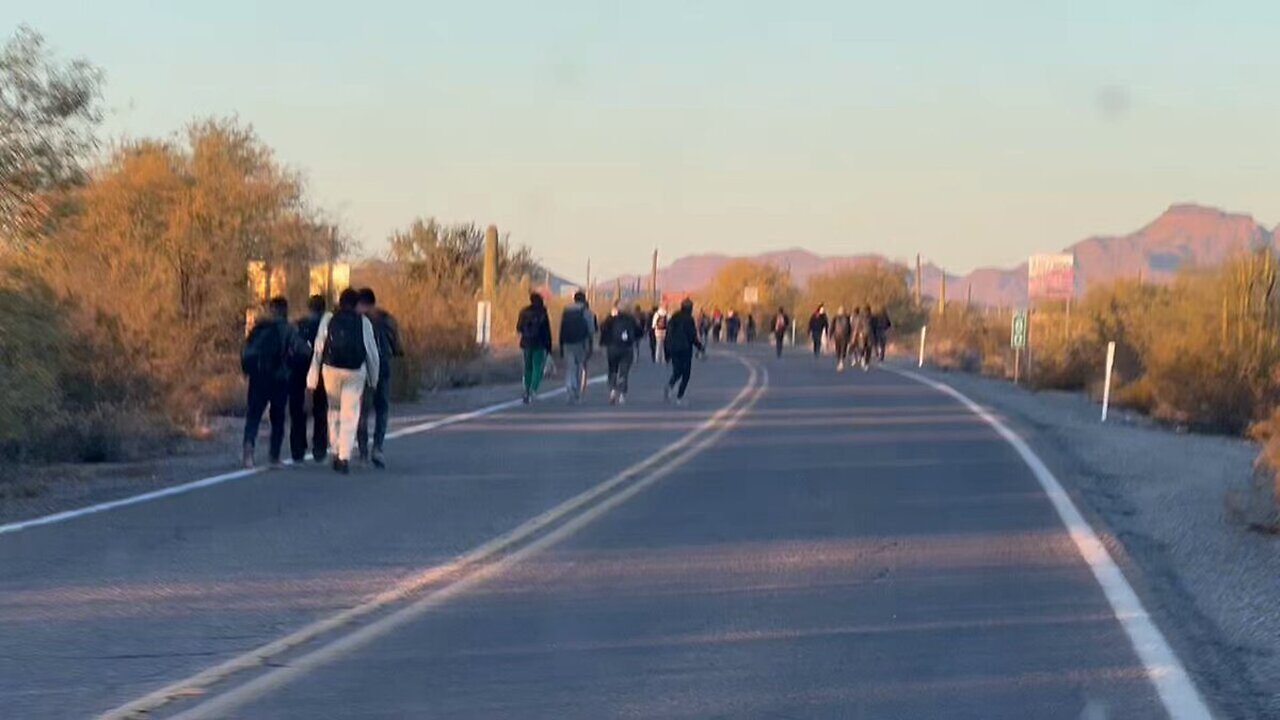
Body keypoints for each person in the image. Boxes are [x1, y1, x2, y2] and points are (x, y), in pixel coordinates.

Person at [307, 288, 380, 474]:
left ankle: (335, 448)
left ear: (340, 302)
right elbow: (372, 353)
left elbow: (318, 347)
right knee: (350, 414)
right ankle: (344, 456)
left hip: (330, 369)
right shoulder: (363, 322)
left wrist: (312, 378)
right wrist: (373, 378)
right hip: (355, 372)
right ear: (356, 304)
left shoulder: (329, 319)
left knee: (334, 411)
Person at [242, 296, 309, 469]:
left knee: (253, 416)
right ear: (285, 310)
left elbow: (246, 351)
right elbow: (303, 351)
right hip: (279, 378)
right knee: (277, 418)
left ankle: (248, 453)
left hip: (257, 378)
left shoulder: (258, 328)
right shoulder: (289, 329)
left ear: (271, 310)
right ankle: (274, 457)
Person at [355, 288, 403, 468]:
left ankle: (363, 453)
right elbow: (398, 347)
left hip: (364, 369)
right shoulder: (387, 319)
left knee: (362, 412)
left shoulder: (358, 320)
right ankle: (378, 448)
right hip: (383, 367)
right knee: (382, 409)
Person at [289, 294, 329, 463]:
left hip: (298, 372)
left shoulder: (298, 325)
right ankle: (319, 448)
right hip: (321, 373)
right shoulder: (328, 326)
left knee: (298, 412)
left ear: (309, 307)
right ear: (323, 308)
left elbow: (289, 348)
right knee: (320, 412)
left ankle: (297, 449)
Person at [663, 298, 704, 406]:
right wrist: (700, 347)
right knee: (686, 374)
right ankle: (679, 397)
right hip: (685, 349)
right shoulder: (689, 319)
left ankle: (670, 385)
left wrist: (667, 352)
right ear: (690, 308)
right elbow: (692, 335)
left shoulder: (674, 317)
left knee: (677, 371)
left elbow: (668, 334)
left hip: (673, 348)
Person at [559, 290, 597, 404]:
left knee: (570, 367)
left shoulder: (566, 310)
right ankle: (576, 391)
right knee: (580, 367)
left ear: (574, 299)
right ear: (584, 299)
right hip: (581, 342)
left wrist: (561, 344)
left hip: (567, 342)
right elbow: (591, 330)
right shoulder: (587, 311)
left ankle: (569, 387)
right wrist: (591, 346)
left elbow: (562, 327)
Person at [600, 302, 640, 404]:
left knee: (612, 370)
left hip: (613, 348)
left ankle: (612, 391)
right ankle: (622, 395)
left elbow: (603, 328)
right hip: (627, 348)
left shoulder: (612, 319)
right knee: (624, 371)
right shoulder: (631, 320)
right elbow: (639, 332)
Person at [516, 292, 553, 403]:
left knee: (528, 367)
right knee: (537, 367)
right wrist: (549, 347)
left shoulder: (523, 312)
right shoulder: (542, 312)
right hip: (539, 343)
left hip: (526, 343)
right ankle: (533, 389)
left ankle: (526, 388)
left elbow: (518, 328)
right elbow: (546, 331)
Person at [831, 305, 853, 372]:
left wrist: (830, 335)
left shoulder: (835, 318)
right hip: (844, 336)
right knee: (843, 349)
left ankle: (840, 362)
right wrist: (850, 336)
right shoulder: (847, 317)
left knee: (838, 349)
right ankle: (841, 361)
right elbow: (850, 328)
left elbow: (832, 327)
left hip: (837, 335)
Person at [851, 305, 872, 370]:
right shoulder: (870, 317)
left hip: (862, 334)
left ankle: (863, 359)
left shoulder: (861, 317)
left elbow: (857, 326)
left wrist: (856, 334)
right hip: (867, 334)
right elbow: (874, 327)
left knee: (863, 347)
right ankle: (865, 362)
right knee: (867, 348)